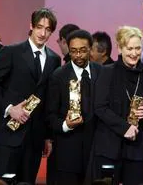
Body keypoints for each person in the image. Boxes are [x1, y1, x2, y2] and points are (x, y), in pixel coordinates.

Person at [0, 8, 61, 184]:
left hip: (35, 139)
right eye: (39, 27)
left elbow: (49, 100)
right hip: (8, 135)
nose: (43, 33)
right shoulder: (11, 52)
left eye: (48, 29)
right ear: (31, 25)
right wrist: (9, 109)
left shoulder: (55, 59)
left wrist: (47, 136)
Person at [93, 26, 143, 185]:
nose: (134, 53)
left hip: (138, 149)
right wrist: (124, 127)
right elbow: (100, 107)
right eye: (129, 48)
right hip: (109, 146)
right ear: (120, 48)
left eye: (137, 48)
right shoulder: (107, 72)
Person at [45, 29, 101, 185]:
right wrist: (65, 125)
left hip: (95, 152)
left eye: (83, 51)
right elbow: (49, 115)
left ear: (90, 48)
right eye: (73, 51)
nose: (78, 55)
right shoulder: (58, 76)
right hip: (67, 153)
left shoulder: (101, 72)